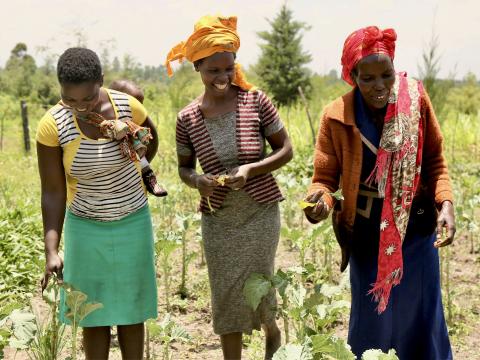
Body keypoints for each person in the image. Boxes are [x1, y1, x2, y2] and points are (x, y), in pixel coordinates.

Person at [303, 26, 455, 359]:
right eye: (367, 78)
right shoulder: (336, 117)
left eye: (386, 75)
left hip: (415, 233)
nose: (380, 86)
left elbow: (434, 160)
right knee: (373, 327)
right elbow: (324, 178)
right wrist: (321, 202)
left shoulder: (415, 100)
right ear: (352, 75)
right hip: (367, 236)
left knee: (422, 320)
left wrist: (445, 203)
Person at [166, 15, 293, 360]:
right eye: (213, 71)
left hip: (260, 212)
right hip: (219, 218)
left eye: (228, 68)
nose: (222, 78)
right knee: (224, 291)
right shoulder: (187, 118)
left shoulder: (256, 101)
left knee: (259, 281)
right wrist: (197, 182)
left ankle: (272, 333)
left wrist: (252, 169)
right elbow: (183, 168)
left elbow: (286, 150)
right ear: (197, 68)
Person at [36, 47, 158, 359]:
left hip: (133, 221)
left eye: (87, 99)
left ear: (101, 83)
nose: (78, 107)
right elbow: (52, 191)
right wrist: (52, 249)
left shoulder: (127, 107)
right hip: (85, 227)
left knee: (132, 311)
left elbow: (151, 142)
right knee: (92, 315)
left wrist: (134, 157)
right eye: (69, 99)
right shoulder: (53, 125)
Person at [109, 79, 167, 197]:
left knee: (143, 163)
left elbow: (149, 140)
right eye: (133, 104)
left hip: (133, 152)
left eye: (140, 105)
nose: (137, 108)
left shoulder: (137, 119)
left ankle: (151, 182)